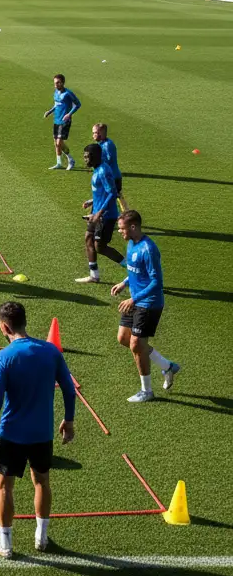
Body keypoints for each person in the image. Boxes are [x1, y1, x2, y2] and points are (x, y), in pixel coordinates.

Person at [0, 301, 76, 557]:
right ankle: (41, 538)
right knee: (42, 482)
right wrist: (69, 420)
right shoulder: (51, 351)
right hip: (42, 434)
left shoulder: (2, 358)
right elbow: (68, 387)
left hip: (11, 434)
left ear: (4, 326)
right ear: (25, 322)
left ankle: (6, 544)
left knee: (4, 487)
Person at [111, 210, 180, 403]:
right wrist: (124, 282)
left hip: (149, 303)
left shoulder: (148, 249)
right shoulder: (131, 244)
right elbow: (135, 271)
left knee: (136, 345)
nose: (119, 232)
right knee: (124, 339)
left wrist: (133, 299)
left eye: (122, 228)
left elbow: (156, 282)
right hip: (135, 299)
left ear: (133, 227)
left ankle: (146, 391)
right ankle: (167, 366)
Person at [76, 143, 123, 284]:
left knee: (100, 247)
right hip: (96, 212)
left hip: (106, 215)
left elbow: (113, 192)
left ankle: (131, 267)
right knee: (88, 239)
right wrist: (91, 201)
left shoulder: (103, 171)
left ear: (96, 156)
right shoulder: (97, 169)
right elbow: (102, 192)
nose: (85, 160)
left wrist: (99, 213)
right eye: (84, 157)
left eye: (87, 157)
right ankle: (94, 275)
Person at [43, 73, 80, 170]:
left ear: (63, 83)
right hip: (56, 119)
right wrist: (49, 111)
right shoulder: (56, 92)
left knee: (59, 143)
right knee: (56, 143)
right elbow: (56, 104)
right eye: (55, 83)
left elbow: (78, 104)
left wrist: (69, 114)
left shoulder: (68, 93)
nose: (56, 85)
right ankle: (59, 163)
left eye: (58, 83)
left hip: (65, 121)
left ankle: (70, 159)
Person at [92, 123, 123, 210]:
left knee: (112, 197)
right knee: (117, 198)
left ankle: (127, 218)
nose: (93, 135)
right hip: (109, 176)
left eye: (94, 133)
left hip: (112, 177)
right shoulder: (101, 144)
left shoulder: (107, 145)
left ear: (100, 133)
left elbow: (108, 160)